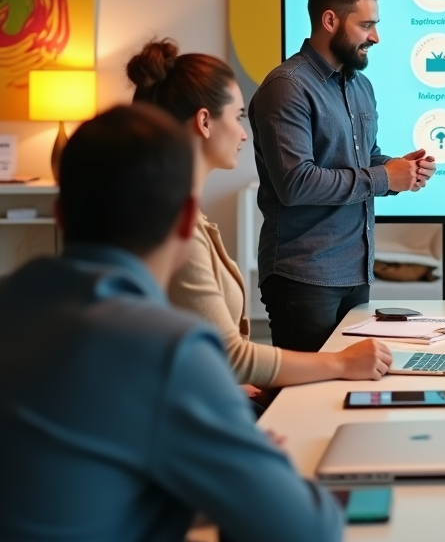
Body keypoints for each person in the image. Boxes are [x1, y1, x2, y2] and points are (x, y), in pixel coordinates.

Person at [0, 105, 342, 542]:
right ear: (186, 223)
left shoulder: (14, 299)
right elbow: (306, 530)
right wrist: (251, 467)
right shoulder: (169, 348)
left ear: (61, 215)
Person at [128, 39, 393, 396]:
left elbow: (188, 352)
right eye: (238, 117)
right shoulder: (178, 233)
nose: (243, 133)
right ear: (204, 122)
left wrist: (239, 386)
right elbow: (231, 357)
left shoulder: (183, 220)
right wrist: (342, 362)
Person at [249, 0, 436, 351]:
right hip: (303, 275)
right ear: (330, 20)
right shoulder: (287, 88)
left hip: (355, 270)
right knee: (304, 399)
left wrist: (402, 169)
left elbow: (361, 160)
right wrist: (385, 177)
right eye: (366, 25)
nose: (376, 37)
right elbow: (296, 183)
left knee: (346, 389)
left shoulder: (360, 85)